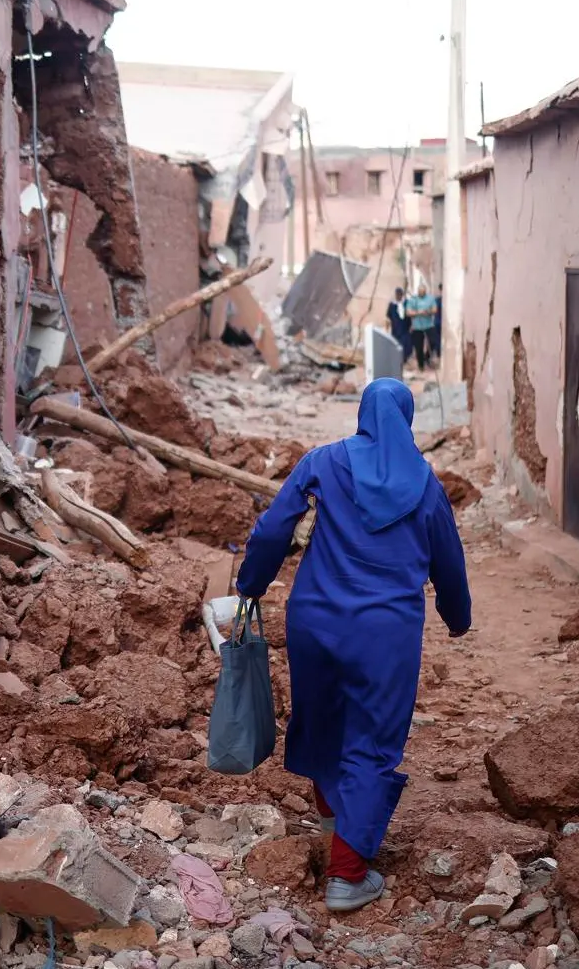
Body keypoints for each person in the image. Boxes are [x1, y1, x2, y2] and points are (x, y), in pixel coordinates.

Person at [234, 378, 471, 911]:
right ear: (405, 419)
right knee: (371, 739)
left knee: (323, 722)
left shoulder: (323, 461)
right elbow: (448, 562)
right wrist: (457, 617)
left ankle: (335, 823)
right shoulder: (425, 485)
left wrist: (251, 584)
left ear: (363, 413)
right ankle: (347, 873)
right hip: (385, 634)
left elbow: (274, 529)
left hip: (314, 623)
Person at [405, 285, 439, 371]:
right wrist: (418, 313)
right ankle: (421, 366)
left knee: (433, 342)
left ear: (425, 291)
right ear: (418, 291)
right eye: (420, 292)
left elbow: (435, 310)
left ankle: (426, 357)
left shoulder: (430, 298)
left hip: (429, 325)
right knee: (418, 347)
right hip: (417, 327)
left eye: (423, 292)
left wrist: (428, 311)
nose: (421, 293)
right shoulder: (413, 300)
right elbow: (408, 312)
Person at [385, 287, 413, 370]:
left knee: (407, 346)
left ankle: (404, 360)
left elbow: (410, 315)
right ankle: (399, 361)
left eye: (400, 294)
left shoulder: (407, 303)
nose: (398, 296)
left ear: (402, 295)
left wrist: (412, 325)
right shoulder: (392, 305)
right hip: (396, 329)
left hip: (406, 328)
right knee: (397, 345)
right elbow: (388, 317)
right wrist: (387, 328)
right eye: (397, 294)